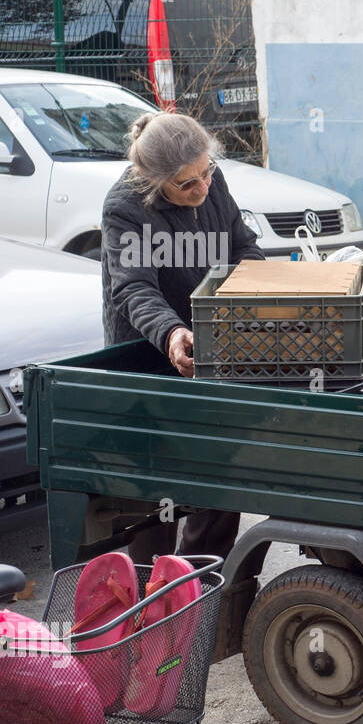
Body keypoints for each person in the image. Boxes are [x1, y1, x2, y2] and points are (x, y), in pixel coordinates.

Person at [101, 111, 264, 569]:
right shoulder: (125, 206)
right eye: (186, 184)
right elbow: (134, 288)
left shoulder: (212, 181)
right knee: (157, 488)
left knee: (218, 470)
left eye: (206, 171)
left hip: (213, 347)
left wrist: (245, 292)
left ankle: (198, 582)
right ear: (155, 183)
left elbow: (242, 245)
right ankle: (151, 595)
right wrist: (173, 333)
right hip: (149, 353)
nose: (202, 188)